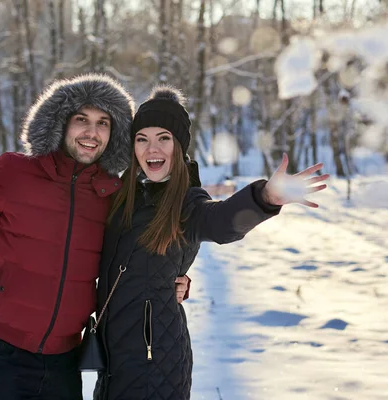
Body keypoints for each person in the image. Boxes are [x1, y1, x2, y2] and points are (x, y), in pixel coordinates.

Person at [0, 74, 190, 400]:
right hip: (1, 350)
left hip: (67, 356)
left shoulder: (113, 194)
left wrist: (176, 280)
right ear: (59, 122)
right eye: (82, 119)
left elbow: (133, 258)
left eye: (103, 123)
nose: (91, 133)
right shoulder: (15, 172)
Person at [92, 86, 329, 400]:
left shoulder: (186, 201)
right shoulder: (122, 197)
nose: (153, 149)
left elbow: (220, 222)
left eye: (164, 138)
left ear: (179, 147)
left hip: (155, 361)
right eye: (142, 139)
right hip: (112, 360)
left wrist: (264, 198)